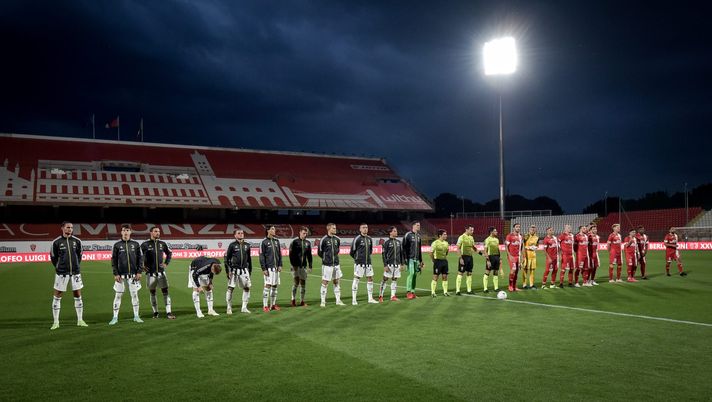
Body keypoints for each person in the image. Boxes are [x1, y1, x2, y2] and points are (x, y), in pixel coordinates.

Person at [49, 222, 87, 330]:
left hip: (75, 273)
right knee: (57, 296)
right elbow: (53, 257)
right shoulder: (56, 242)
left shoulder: (77, 241)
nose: (70, 229)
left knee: (78, 295)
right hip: (61, 273)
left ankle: (80, 320)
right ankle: (56, 322)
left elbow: (79, 255)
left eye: (71, 228)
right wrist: (59, 267)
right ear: (62, 228)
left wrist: (75, 267)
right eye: (67, 227)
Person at [109, 224, 144, 325]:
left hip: (133, 275)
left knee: (134, 295)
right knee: (118, 295)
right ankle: (115, 317)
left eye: (127, 230)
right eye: (124, 230)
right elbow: (113, 261)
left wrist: (139, 272)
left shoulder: (136, 244)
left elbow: (140, 259)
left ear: (130, 232)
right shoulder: (117, 245)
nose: (125, 232)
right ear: (121, 232)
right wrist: (115, 273)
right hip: (120, 275)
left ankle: (136, 316)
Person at [140, 226, 175, 319]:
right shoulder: (145, 244)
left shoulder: (162, 244)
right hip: (150, 273)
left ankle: (169, 312)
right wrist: (142, 266)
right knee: (152, 292)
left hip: (161, 273)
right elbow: (139, 256)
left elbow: (169, 253)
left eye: (159, 231)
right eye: (156, 231)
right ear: (151, 232)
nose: (158, 233)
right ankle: (155, 312)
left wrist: (166, 263)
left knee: (165, 291)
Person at [224, 229, 252, 314]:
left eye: (242, 233)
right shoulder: (232, 245)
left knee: (247, 288)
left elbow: (249, 259)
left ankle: (244, 307)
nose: (241, 234)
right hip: (234, 270)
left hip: (244, 270)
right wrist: (228, 271)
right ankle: (229, 307)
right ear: (235, 235)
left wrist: (249, 271)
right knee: (230, 288)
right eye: (239, 233)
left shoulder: (247, 245)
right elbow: (227, 259)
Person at [318, 223, 345, 307]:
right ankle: (323, 301)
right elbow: (320, 252)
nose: (335, 229)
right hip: (327, 265)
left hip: (336, 265)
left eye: (335, 228)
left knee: (337, 282)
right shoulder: (324, 239)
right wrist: (326, 259)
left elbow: (337, 251)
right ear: (328, 229)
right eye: (333, 228)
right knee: (325, 282)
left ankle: (338, 300)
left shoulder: (337, 239)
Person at [350, 223, 377, 305]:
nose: (365, 229)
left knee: (370, 279)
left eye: (366, 227)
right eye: (363, 227)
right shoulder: (357, 239)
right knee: (357, 279)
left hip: (368, 262)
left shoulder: (369, 239)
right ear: (360, 229)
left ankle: (370, 298)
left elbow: (371, 251)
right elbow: (352, 252)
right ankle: (354, 299)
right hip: (359, 263)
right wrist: (357, 259)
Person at [260, 226, 283, 312]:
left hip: (276, 268)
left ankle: (273, 305)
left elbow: (279, 254)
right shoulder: (264, 242)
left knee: (275, 286)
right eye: (272, 229)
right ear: (268, 230)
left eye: (274, 229)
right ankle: (265, 306)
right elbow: (261, 256)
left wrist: (280, 264)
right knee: (267, 286)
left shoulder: (277, 241)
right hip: (268, 268)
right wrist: (264, 268)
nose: (274, 230)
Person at [378, 226, 404, 302]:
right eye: (395, 231)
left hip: (397, 264)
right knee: (385, 279)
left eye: (396, 231)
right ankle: (380, 296)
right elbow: (383, 255)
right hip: (389, 265)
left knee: (394, 279)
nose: (396, 232)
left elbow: (401, 254)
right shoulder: (386, 243)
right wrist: (385, 265)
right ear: (390, 232)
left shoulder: (399, 242)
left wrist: (402, 264)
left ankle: (393, 296)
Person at [289, 227, 313, 307]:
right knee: (296, 282)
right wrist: (293, 265)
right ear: (299, 232)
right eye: (303, 233)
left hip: (303, 266)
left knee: (303, 283)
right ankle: (293, 300)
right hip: (295, 266)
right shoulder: (294, 242)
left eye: (306, 233)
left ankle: (302, 301)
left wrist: (310, 266)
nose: (305, 235)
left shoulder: (308, 243)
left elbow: (309, 255)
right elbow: (291, 255)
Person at [402, 221, 423, 299]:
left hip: (416, 259)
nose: (419, 226)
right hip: (410, 258)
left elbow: (419, 250)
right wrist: (405, 259)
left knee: (415, 275)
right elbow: (403, 248)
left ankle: (413, 292)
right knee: (411, 274)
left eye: (419, 225)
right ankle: (408, 292)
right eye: (417, 225)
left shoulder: (418, 236)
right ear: (413, 226)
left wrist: (421, 261)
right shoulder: (408, 235)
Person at [455, 225, 476, 295]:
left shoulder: (471, 238)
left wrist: (482, 254)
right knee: (460, 273)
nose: (472, 231)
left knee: (469, 273)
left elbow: (474, 248)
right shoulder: (461, 237)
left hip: (470, 257)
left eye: (473, 230)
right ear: (466, 230)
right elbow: (458, 248)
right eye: (471, 230)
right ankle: (457, 291)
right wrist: (460, 258)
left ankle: (469, 290)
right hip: (463, 257)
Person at [430, 229, 450, 297]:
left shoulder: (446, 243)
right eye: (444, 234)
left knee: (445, 276)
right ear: (440, 235)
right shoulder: (435, 243)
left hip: (444, 261)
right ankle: (433, 292)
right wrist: (433, 260)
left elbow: (447, 252)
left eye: (446, 234)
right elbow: (431, 253)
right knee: (436, 276)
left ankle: (445, 292)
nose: (446, 235)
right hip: (437, 261)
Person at [482, 227, 501, 293]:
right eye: (495, 231)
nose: (497, 232)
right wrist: (488, 260)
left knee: (496, 272)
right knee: (487, 272)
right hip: (490, 257)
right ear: (491, 232)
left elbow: (498, 249)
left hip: (496, 257)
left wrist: (499, 258)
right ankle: (485, 288)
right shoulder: (487, 240)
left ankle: (496, 288)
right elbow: (485, 251)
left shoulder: (497, 239)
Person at [505, 223, 523, 292]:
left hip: (518, 256)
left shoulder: (520, 237)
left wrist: (521, 258)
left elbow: (521, 248)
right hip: (512, 256)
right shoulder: (509, 236)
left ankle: (515, 287)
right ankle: (510, 286)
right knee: (513, 270)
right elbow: (506, 246)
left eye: (519, 227)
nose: (518, 228)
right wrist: (509, 255)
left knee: (517, 272)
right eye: (517, 227)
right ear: (514, 228)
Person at [521, 225, 539, 289]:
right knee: (525, 270)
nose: (533, 229)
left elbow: (537, 245)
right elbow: (522, 245)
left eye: (534, 228)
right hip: (526, 255)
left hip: (533, 256)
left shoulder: (537, 237)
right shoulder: (526, 236)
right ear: (529, 229)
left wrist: (535, 247)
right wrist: (528, 247)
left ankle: (531, 284)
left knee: (532, 270)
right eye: (531, 228)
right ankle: (524, 284)